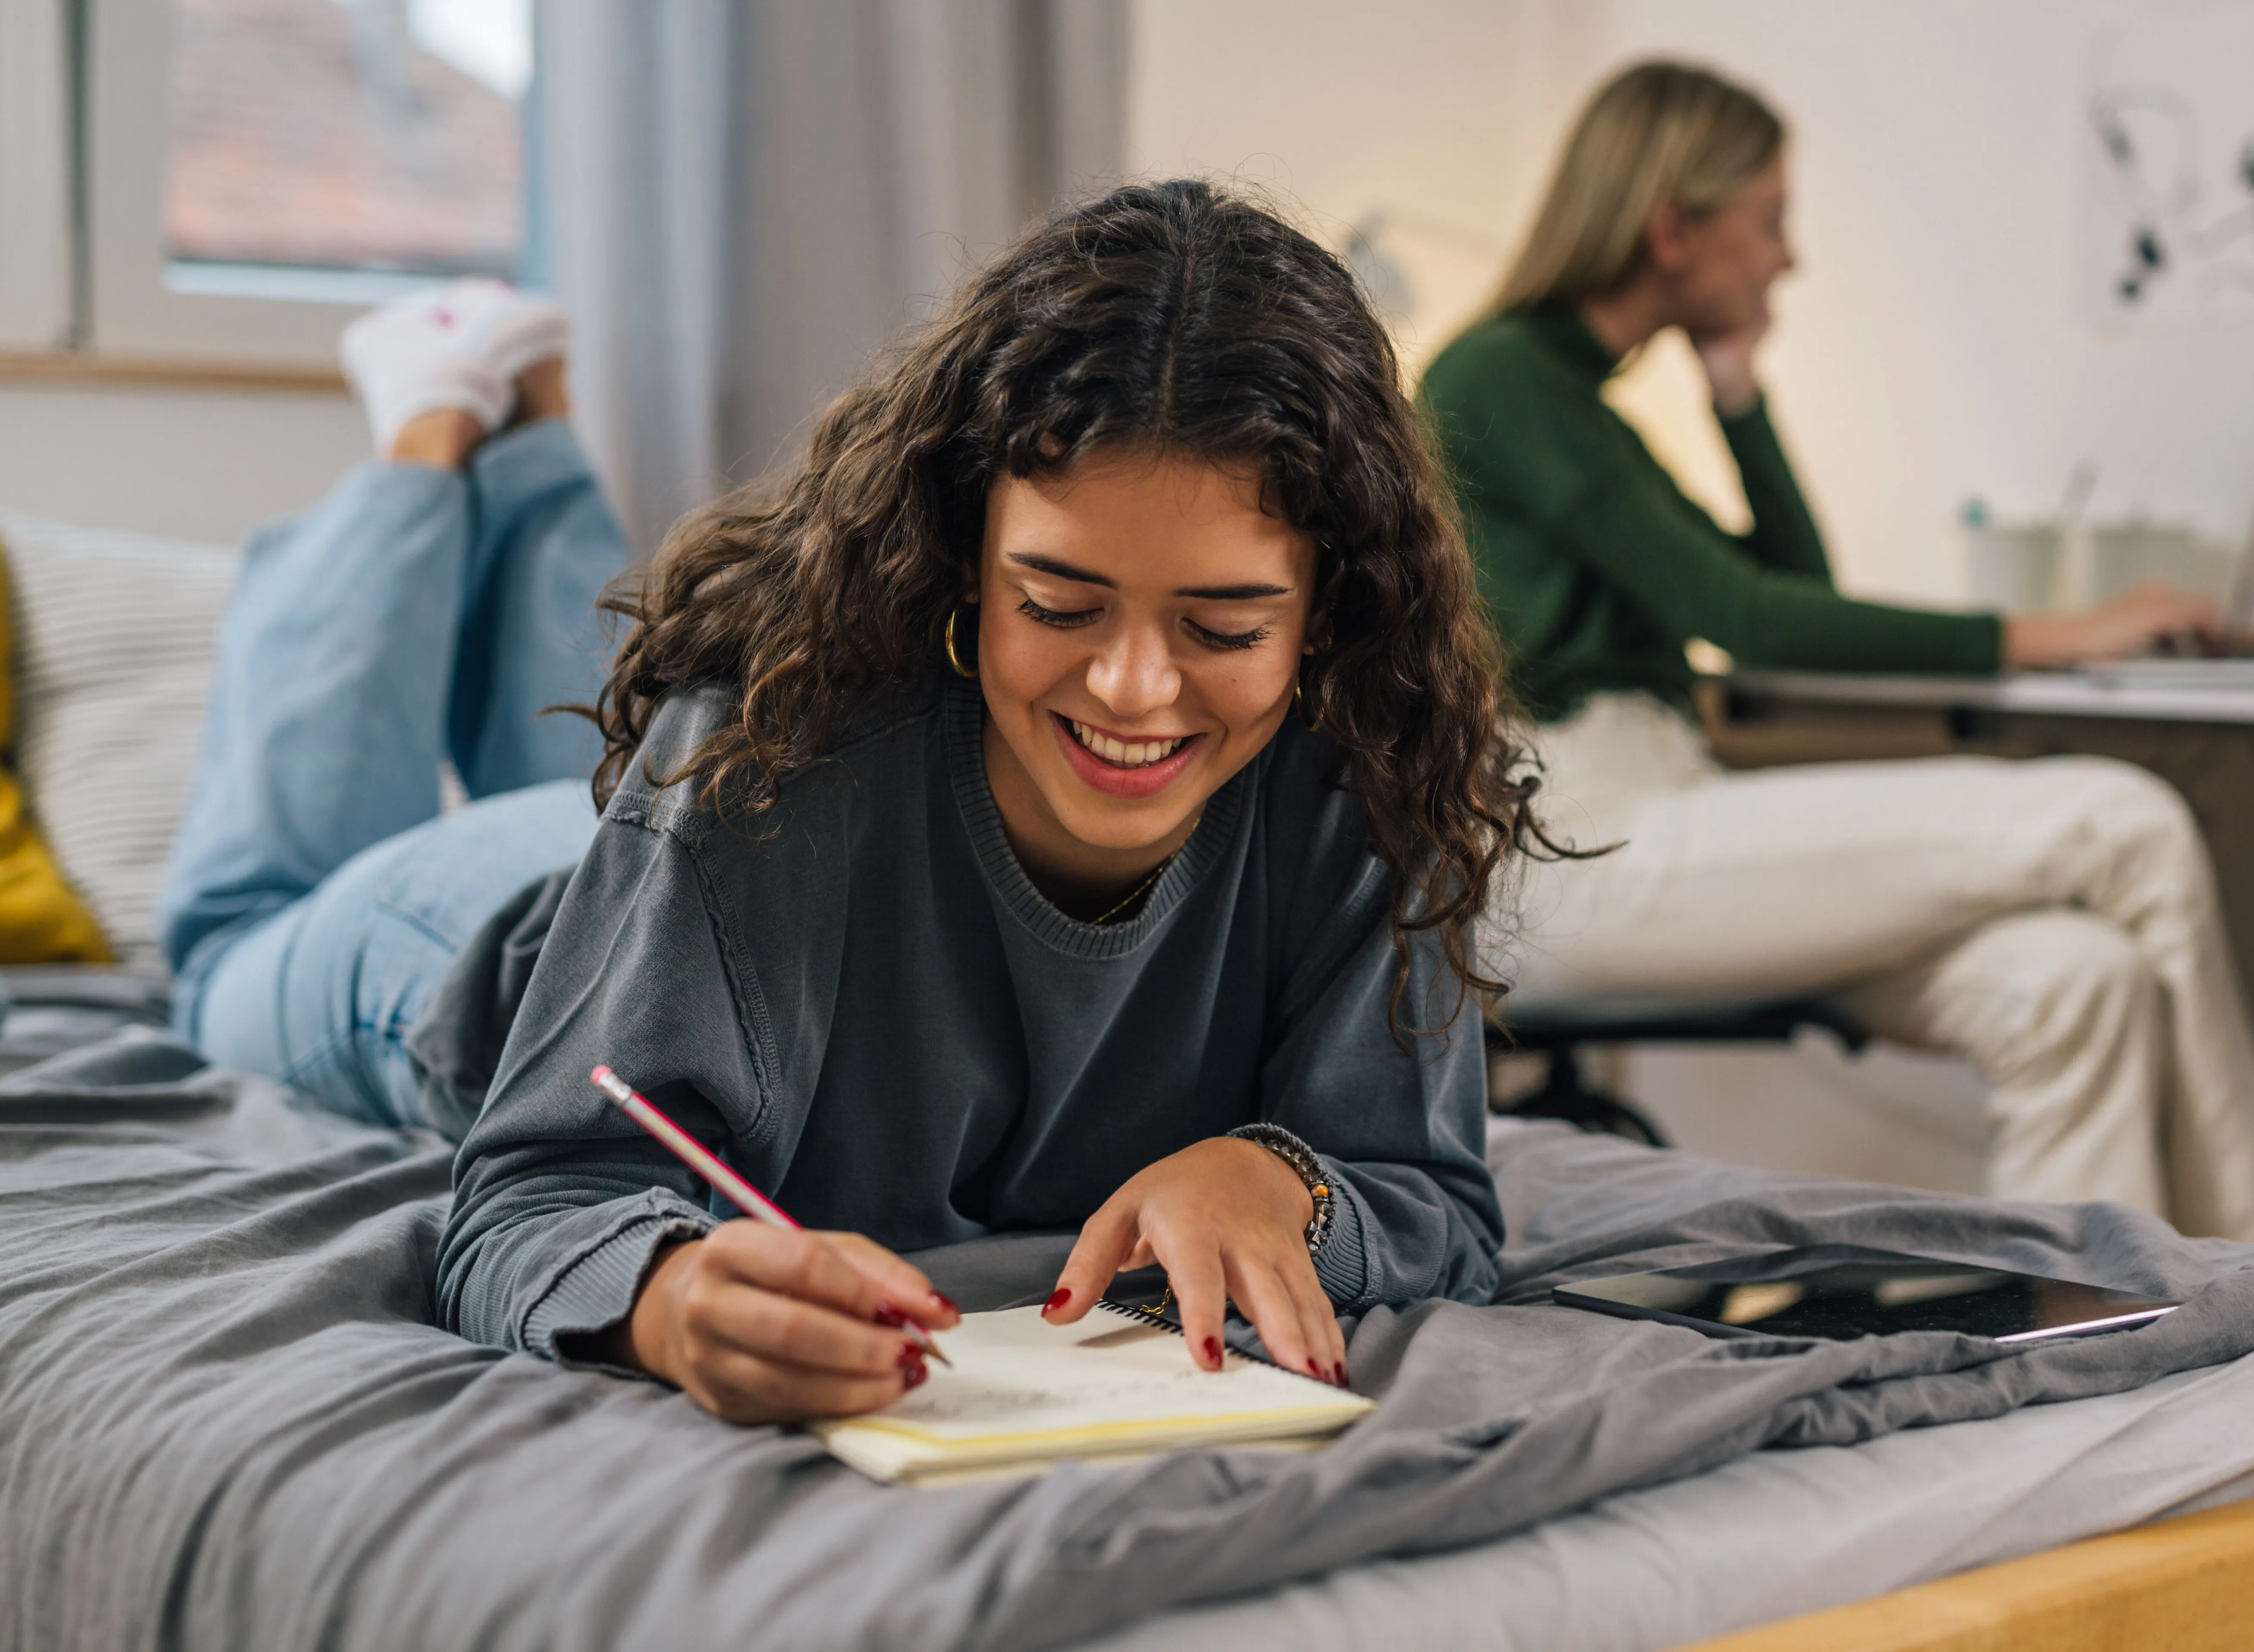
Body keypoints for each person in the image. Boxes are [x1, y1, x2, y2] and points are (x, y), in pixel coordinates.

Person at [159, 181, 1528, 1422]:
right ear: (967, 558)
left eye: (1224, 629)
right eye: (1059, 605)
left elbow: (1428, 1197)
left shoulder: (1376, 760)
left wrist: (1280, 1177)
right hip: (477, 944)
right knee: (235, 932)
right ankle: (431, 432)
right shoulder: (774, 743)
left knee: (594, 775)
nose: (1134, 688)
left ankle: (533, 433)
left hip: (671, 870)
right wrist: (668, 1300)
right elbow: (536, 1196)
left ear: (1330, 611)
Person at [1421, 61, 2254, 1252]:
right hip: (1562, 844)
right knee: (2131, 822)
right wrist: (2064, 634)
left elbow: (1792, 591)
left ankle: (2103, 1323)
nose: (1788, 258)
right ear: (1672, 228)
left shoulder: (1578, 402)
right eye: (1771, 220)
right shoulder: (1504, 375)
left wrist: (1737, 392)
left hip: (1648, 813)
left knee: (2074, 979)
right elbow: (1754, 617)